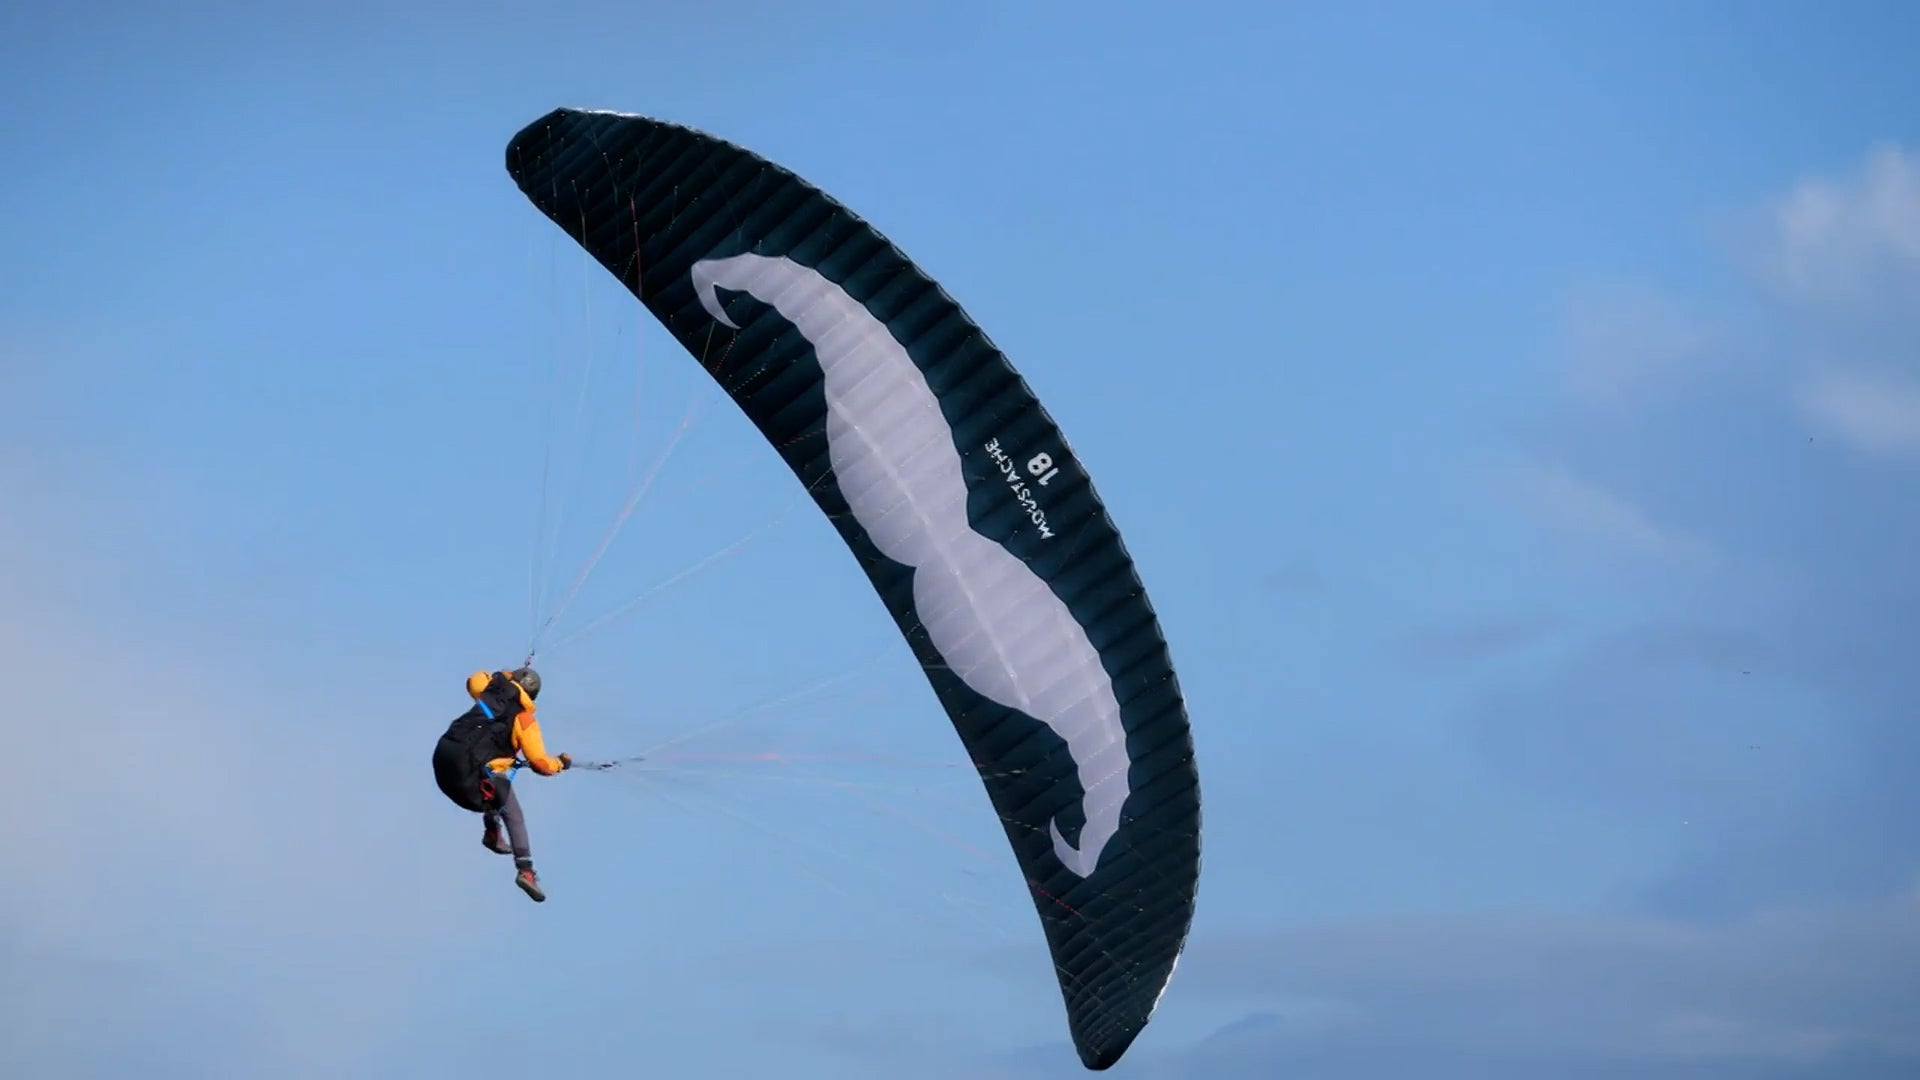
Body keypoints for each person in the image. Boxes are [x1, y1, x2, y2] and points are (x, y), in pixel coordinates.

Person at [433, 665, 570, 901]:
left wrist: (503, 676)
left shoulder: (490, 688)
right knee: (509, 805)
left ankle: (492, 833)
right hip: (465, 778)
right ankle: (525, 871)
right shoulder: (524, 719)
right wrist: (560, 763)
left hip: (443, 759)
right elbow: (540, 764)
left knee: (492, 782)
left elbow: (473, 680)